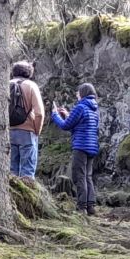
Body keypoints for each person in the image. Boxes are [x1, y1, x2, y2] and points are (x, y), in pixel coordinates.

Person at [53, 83, 101, 216]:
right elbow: (82, 125)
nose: (76, 95)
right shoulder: (94, 109)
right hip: (92, 147)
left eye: (78, 92)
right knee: (88, 176)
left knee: (79, 176)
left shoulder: (80, 107)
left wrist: (55, 115)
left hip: (80, 146)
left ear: (82, 93)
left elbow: (65, 126)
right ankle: (91, 206)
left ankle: (81, 207)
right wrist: (68, 114)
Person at [9, 61, 47, 179]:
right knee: (27, 172)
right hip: (27, 131)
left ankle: (11, 195)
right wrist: (37, 131)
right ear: (29, 72)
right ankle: (27, 194)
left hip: (8, 131)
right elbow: (39, 113)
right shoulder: (31, 86)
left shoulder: (6, 84)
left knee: (11, 171)